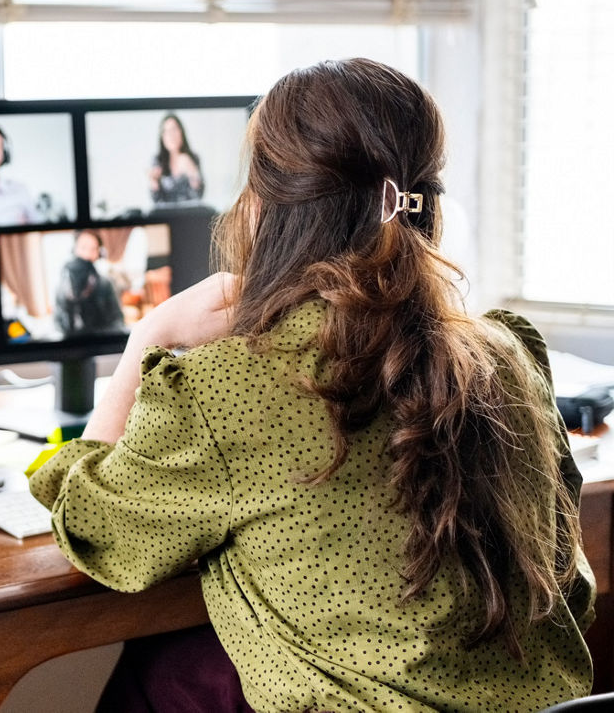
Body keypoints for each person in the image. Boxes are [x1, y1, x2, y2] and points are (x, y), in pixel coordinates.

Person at [29, 58, 594, 712]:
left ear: (264, 206)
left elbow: (93, 525)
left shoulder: (225, 388)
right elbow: (567, 584)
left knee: (159, 675)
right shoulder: (508, 352)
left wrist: (147, 339)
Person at [54, 229, 125, 337]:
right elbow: (58, 325)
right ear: (74, 249)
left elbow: (118, 321)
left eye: (93, 249)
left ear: (98, 253)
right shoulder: (62, 285)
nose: (87, 254)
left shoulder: (105, 284)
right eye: (83, 247)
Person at [149, 112, 204, 209]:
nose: (170, 135)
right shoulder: (158, 160)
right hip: (166, 216)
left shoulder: (193, 158)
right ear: (162, 137)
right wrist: (154, 181)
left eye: (174, 129)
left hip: (190, 215)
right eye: (166, 131)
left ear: (181, 132)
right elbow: (156, 201)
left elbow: (199, 195)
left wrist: (191, 170)